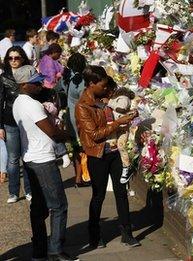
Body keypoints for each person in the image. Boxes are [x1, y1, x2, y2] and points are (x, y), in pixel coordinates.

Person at [12, 65, 78, 261]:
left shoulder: (19, 102)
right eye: (35, 83)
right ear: (24, 85)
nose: (40, 84)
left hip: (31, 158)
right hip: (43, 160)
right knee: (58, 206)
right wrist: (71, 136)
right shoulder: (31, 105)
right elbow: (53, 132)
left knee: (39, 208)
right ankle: (55, 250)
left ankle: (39, 251)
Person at [75, 65, 140, 249]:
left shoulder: (106, 99)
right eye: (102, 86)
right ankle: (94, 234)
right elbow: (94, 134)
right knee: (99, 195)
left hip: (114, 153)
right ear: (91, 84)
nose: (106, 89)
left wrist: (128, 117)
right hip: (98, 154)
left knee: (121, 192)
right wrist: (118, 123)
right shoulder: (83, 106)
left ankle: (127, 232)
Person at [0, 46, 32, 203]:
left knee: (27, 156)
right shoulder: (3, 77)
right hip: (10, 121)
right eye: (10, 58)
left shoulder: (30, 73)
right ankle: (13, 192)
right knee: (13, 158)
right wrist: (0, 126)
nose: (13, 61)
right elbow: (0, 102)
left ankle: (29, 190)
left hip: (27, 120)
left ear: (22, 58)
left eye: (16, 57)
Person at [61, 52, 87, 186]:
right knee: (82, 147)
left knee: (75, 147)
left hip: (70, 114)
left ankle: (78, 176)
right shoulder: (80, 81)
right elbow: (84, 100)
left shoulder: (66, 77)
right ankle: (82, 176)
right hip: (79, 116)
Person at [106, 86, 136, 184]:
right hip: (116, 127)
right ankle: (121, 165)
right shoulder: (116, 99)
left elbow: (121, 109)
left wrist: (109, 102)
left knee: (121, 145)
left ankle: (126, 167)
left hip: (122, 128)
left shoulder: (123, 98)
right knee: (114, 145)